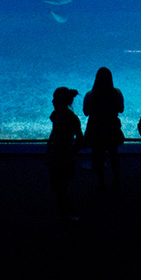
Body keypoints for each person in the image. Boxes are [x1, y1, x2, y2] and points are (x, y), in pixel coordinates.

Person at [82, 66, 124, 190]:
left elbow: (86, 112)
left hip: (96, 127)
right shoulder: (117, 93)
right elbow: (121, 109)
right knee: (113, 154)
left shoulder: (90, 94)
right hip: (111, 126)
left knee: (98, 155)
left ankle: (101, 182)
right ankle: (117, 180)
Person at [47, 86, 84, 223]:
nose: (52, 101)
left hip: (63, 156)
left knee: (62, 186)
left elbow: (80, 140)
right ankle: (63, 213)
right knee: (57, 186)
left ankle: (69, 214)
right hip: (57, 155)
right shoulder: (57, 115)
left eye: (55, 99)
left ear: (60, 100)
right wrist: (49, 149)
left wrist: (70, 153)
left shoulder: (69, 117)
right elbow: (54, 133)